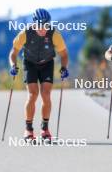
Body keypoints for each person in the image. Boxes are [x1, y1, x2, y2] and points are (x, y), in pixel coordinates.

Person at [8, 8, 69, 141]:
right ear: (34, 23)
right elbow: (13, 53)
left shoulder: (54, 34)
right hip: (29, 63)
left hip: (47, 63)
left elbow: (64, 54)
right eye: (40, 26)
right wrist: (13, 65)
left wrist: (64, 67)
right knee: (33, 94)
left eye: (46, 25)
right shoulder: (25, 33)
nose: (43, 29)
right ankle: (28, 129)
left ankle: (45, 129)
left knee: (46, 94)